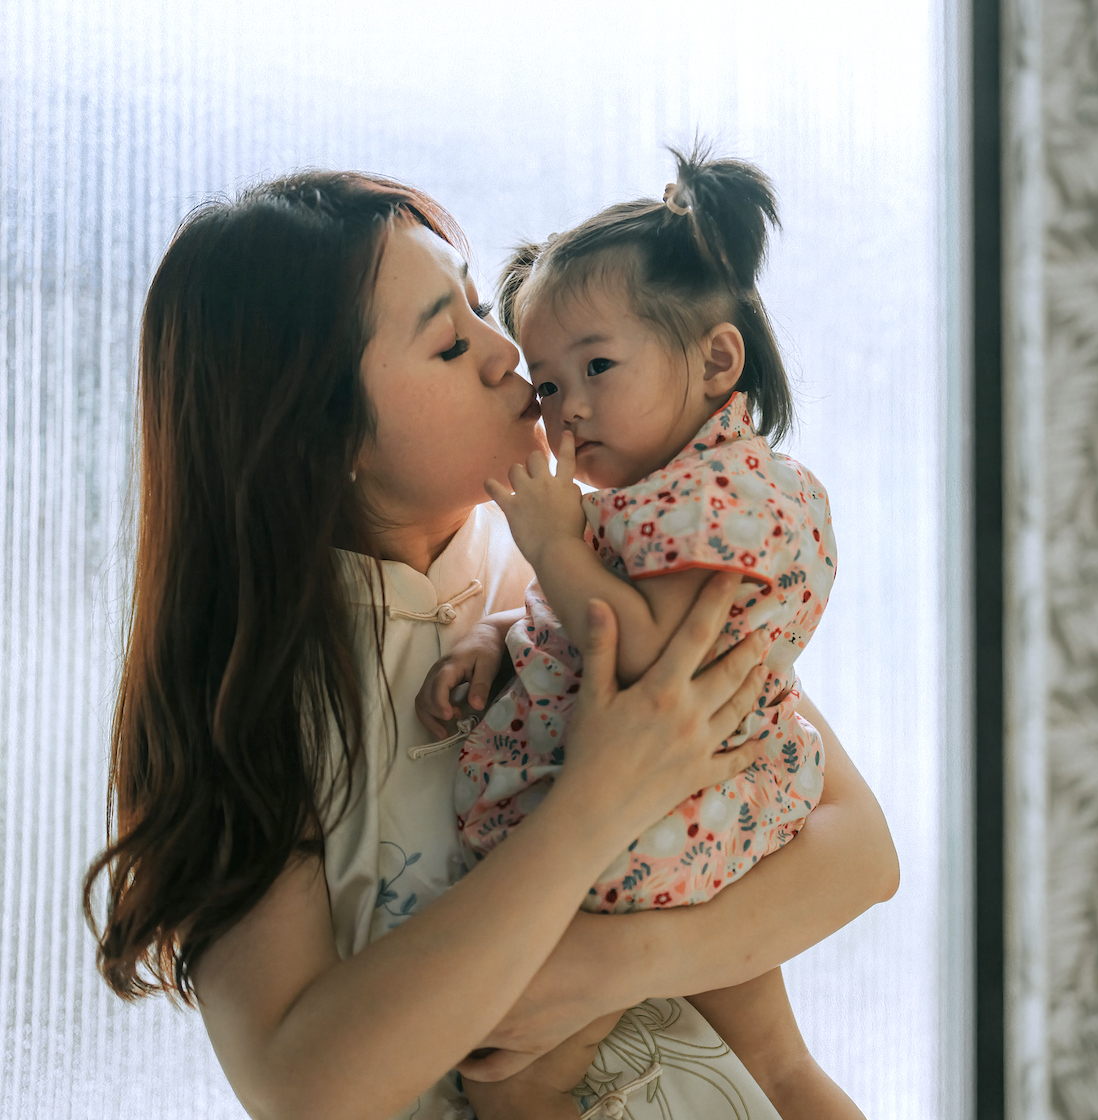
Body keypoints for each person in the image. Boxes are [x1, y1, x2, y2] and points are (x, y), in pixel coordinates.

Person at [82, 169, 900, 1120]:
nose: (504, 351)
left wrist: (614, 960)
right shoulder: (256, 701)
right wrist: (591, 808)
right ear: (321, 430)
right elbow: (304, 1087)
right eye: (446, 338)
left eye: (477, 304)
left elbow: (861, 853)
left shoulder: (584, 567)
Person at [419, 149, 851, 1119]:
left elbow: (655, 658)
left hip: (654, 835)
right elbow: (572, 636)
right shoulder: (671, 497)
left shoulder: (715, 499)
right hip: (701, 827)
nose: (566, 407)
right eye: (546, 383)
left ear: (716, 359)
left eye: (598, 367)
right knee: (781, 1066)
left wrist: (549, 539)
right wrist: (500, 638)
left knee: (518, 1074)